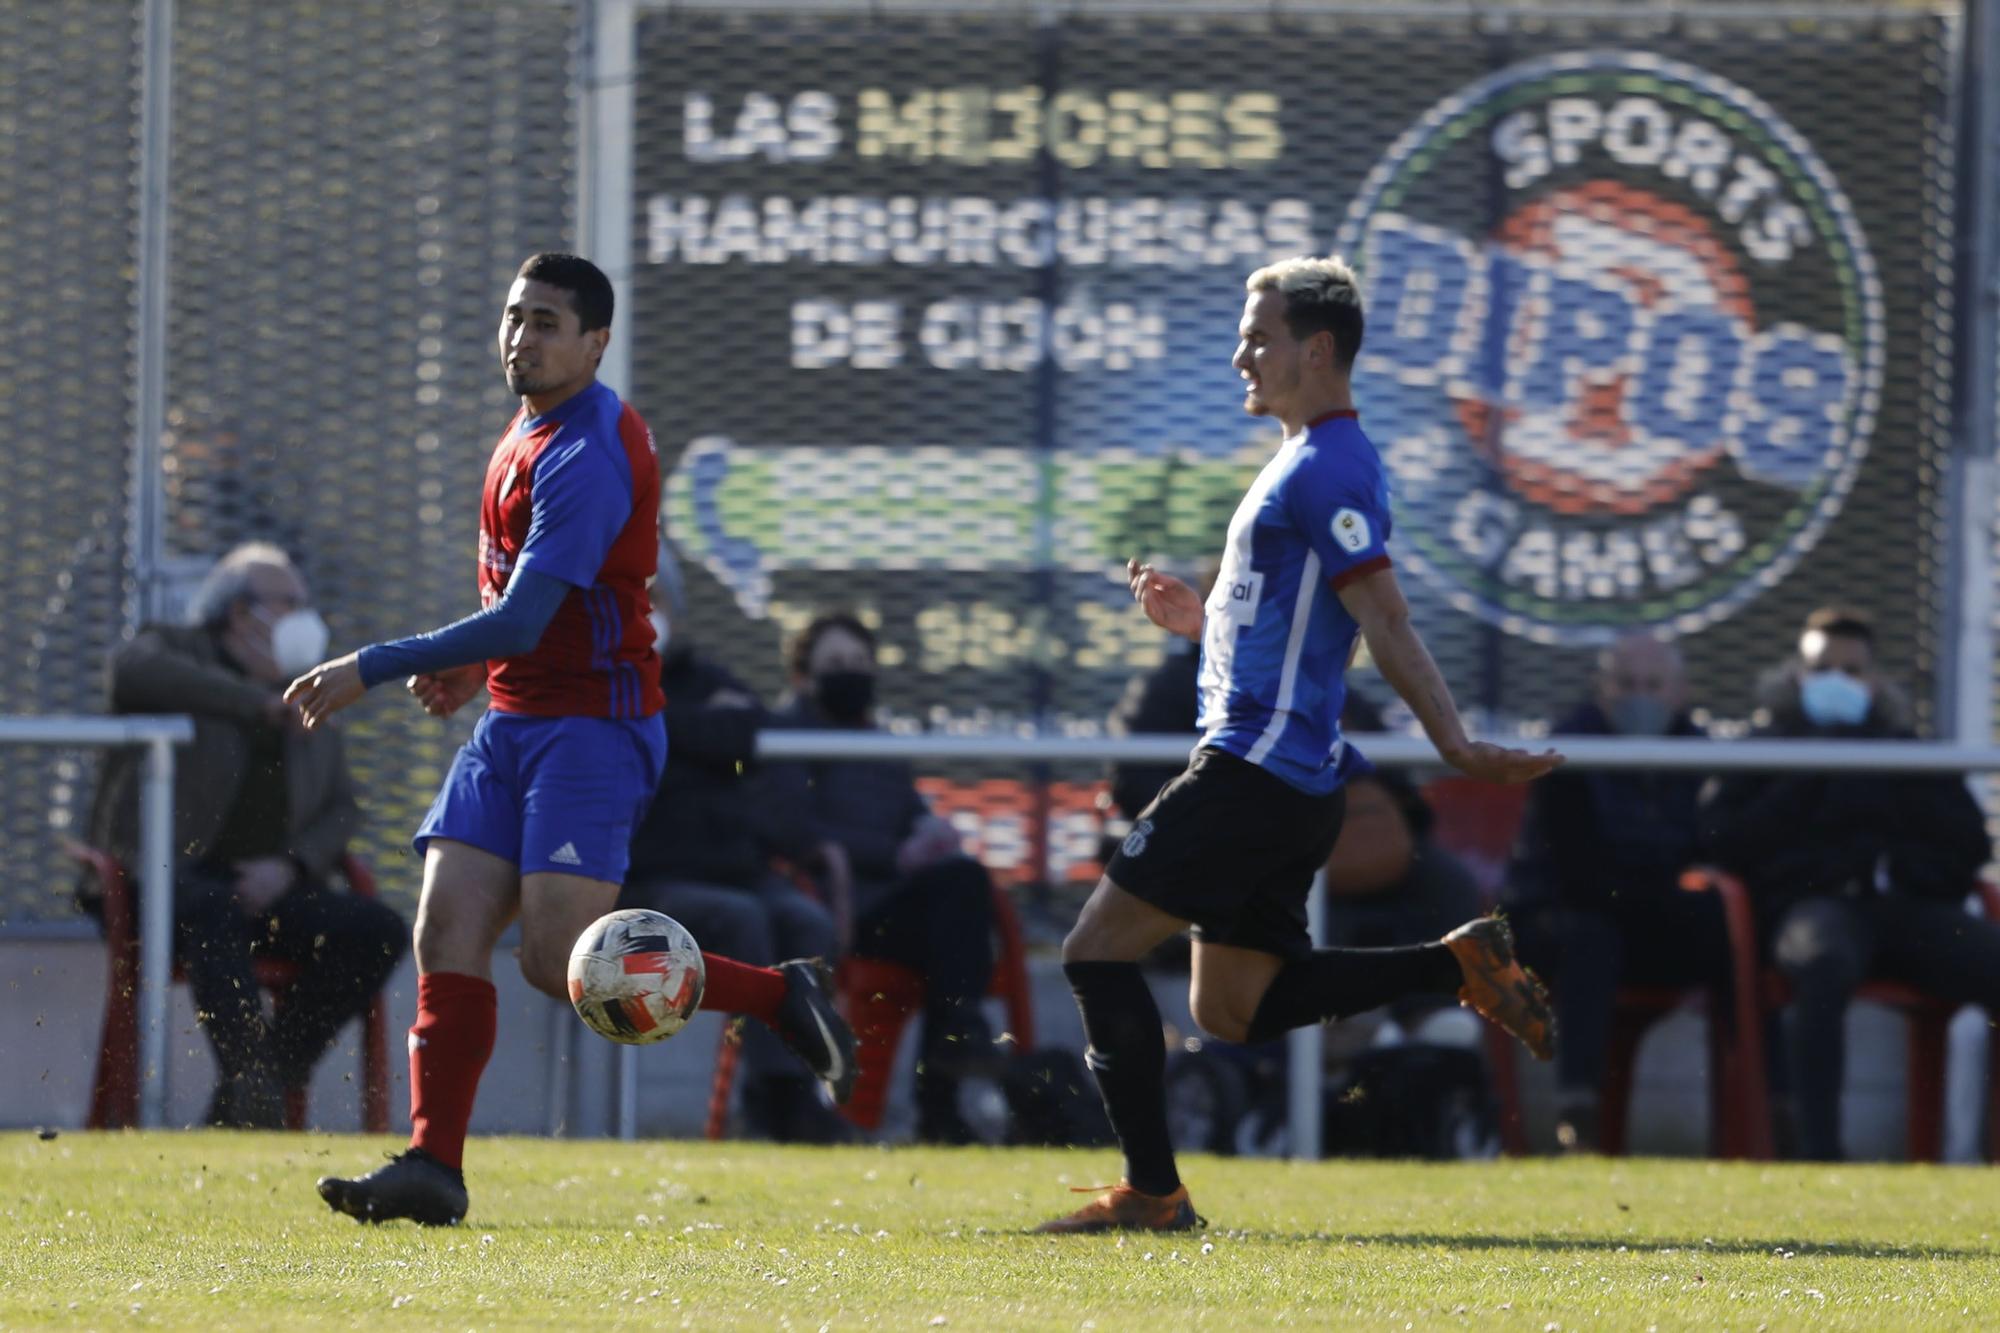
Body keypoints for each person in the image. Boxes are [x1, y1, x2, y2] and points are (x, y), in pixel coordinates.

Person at [288, 253, 854, 1225]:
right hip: (513, 719)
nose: (523, 336)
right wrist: (474, 667)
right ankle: (433, 1164)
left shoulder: (587, 450)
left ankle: (775, 993)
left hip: (592, 730)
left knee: (562, 964)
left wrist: (370, 665)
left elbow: (519, 618)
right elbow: (523, 611)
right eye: (514, 316)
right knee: (444, 929)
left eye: (547, 321)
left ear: (595, 341)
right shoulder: (528, 427)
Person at [1036, 255, 1562, 1234]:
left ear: (1315, 349)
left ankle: (1151, 1193)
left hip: (1249, 777)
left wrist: (1450, 742)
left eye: (1258, 337)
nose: (1240, 353)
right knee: (1229, 1011)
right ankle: (1450, 967)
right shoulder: (1301, 459)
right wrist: (1201, 624)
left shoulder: (1328, 465)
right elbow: (1305, 626)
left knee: (1092, 950)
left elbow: (1384, 618)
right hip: (1286, 783)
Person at [80, 543, 406, 1128]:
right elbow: (131, 669)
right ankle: (254, 1087)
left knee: (376, 930)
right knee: (211, 907)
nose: (305, 618)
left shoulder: (309, 690)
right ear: (239, 613)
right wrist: (257, 704)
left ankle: (259, 1086)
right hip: (163, 884)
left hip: (271, 887)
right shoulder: (174, 650)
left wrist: (293, 867)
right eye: (290, 604)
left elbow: (340, 810)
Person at [1701, 607, 1997, 1161]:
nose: (1837, 682)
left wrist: (1901, 865)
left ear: (1876, 681)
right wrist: (1805, 772)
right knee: (1823, 961)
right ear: (1797, 675)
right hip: (1813, 910)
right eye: (1822, 668)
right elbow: (1720, 838)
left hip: (1903, 913)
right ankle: (1819, 1154)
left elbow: (1965, 845)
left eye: (1852, 671)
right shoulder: (1764, 748)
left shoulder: (1904, 752)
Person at [762, 611, 1001, 1144]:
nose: (850, 673)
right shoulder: (786, 736)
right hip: (840, 912)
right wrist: (896, 855)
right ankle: (942, 1096)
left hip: (902, 909)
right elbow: (792, 830)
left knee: (963, 883)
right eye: (835, 664)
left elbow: (911, 813)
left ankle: (950, 1073)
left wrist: (928, 833)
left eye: (858, 663)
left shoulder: (879, 744)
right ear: (803, 676)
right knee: (957, 908)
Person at [620, 589, 850, 1143]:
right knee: (744, 920)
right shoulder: (607, 679)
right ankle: (782, 1095)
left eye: (659, 602)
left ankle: (799, 1082)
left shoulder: (707, 674)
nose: (651, 614)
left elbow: (747, 727)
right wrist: (699, 730)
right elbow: (630, 725)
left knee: (808, 925)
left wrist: (666, 727)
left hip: (737, 869)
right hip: (652, 880)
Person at [1503, 632, 1729, 1151]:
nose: (1639, 696)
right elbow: (1576, 873)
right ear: (1601, 689)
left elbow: (1713, 850)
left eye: (1653, 684)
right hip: (1559, 922)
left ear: (1680, 691)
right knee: (1591, 936)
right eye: (1626, 684)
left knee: (1733, 930)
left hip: (1647, 923)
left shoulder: (1700, 756)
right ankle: (1577, 1111)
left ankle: (1771, 1111)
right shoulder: (1568, 750)